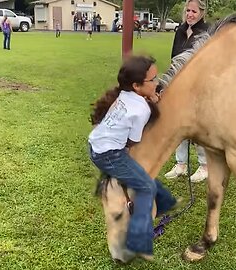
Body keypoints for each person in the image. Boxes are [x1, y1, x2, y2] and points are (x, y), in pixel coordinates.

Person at [88, 55, 177, 260]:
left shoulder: (126, 95)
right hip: (109, 154)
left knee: (142, 176)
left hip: (96, 145)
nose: (157, 82)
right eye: (153, 80)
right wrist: (152, 104)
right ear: (137, 85)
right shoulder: (141, 108)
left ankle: (163, 204)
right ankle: (138, 240)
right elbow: (133, 141)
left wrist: (152, 99)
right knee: (146, 186)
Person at [163, 0, 209, 183]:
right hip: (179, 86)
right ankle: (181, 164)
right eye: (188, 10)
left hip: (198, 87)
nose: (190, 14)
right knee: (178, 125)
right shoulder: (180, 30)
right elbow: (174, 58)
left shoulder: (206, 32)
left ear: (202, 13)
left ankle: (204, 166)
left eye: (194, 11)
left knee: (196, 127)